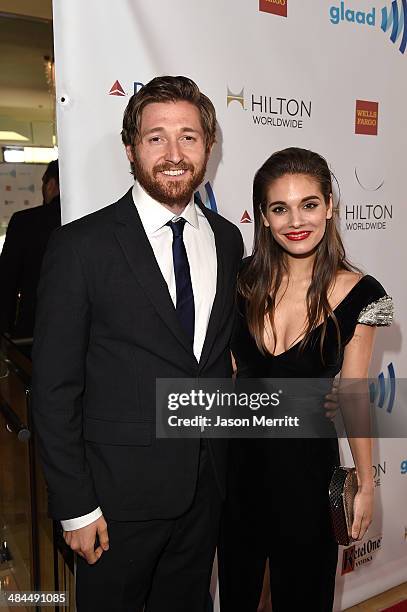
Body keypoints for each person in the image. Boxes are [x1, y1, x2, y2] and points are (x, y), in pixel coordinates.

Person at [31, 76, 243, 612]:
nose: (174, 154)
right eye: (156, 138)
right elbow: (55, 389)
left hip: (204, 486)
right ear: (131, 148)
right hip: (114, 502)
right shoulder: (81, 246)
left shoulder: (226, 237)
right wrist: (76, 506)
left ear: (208, 147)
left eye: (189, 137)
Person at [218, 147, 393, 612]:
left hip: (308, 479)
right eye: (280, 208)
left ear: (329, 205)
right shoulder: (241, 281)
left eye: (309, 204)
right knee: (240, 595)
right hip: (238, 475)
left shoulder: (360, 293)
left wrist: (366, 485)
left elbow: (355, 393)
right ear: (264, 216)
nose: (296, 220)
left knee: (304, 597)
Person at [0, 160, 60, 339]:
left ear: (50, 184)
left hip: (32, 333)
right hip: (87, 338)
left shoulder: (24, 222)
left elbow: (6, 283)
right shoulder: (93, 223)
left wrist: (5, 334)